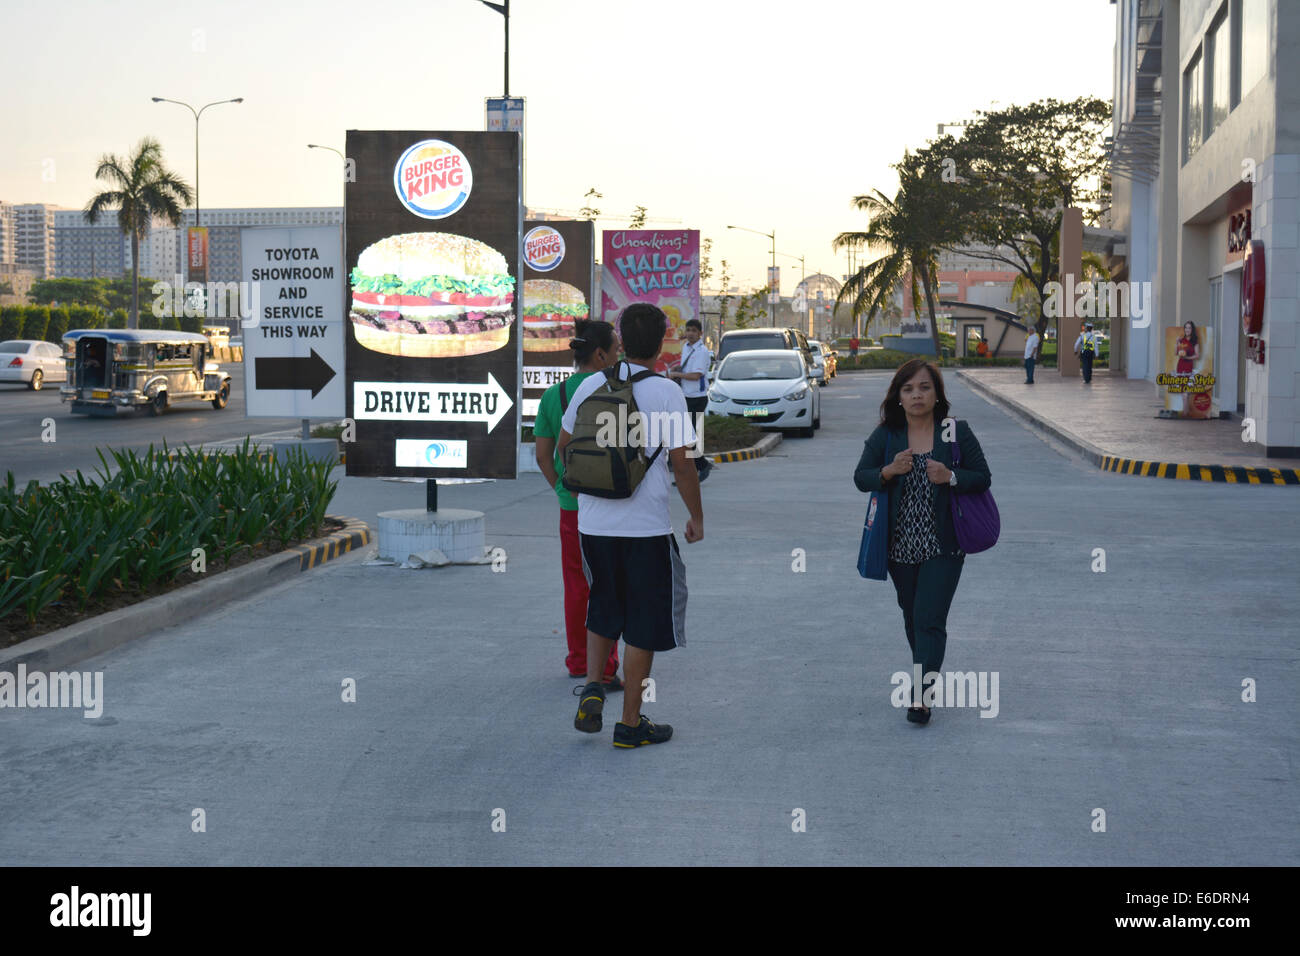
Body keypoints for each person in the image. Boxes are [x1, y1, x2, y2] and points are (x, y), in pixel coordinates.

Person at [558, 303, 704, 748]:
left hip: (594, 524)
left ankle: (593, 689)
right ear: (664, 341)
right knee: (643, 622)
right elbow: (682, 465)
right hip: (645, 528)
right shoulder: (666, 393)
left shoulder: (590, 386)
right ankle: (629, 724)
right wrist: (696, 517)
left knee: (603, 606)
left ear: (619, 339)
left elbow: (565, 446)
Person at [853, 359, 992, 725]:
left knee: (929, 618)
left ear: (937, 394)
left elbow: (982, 477)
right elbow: (861, 477)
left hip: (943, 544)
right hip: (898, 547)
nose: (917, 395)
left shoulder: (953, 431)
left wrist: (951, 476)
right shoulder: (887, 435)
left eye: (925, 387)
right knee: (913, 617)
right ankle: (925, 671)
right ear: (898, 396)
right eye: (909, 389)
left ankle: (921, 695)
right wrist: (888, 470)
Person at [534, 319, 623, 686]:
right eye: (616, 351)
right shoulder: (617, 392)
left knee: (576, 585)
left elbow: (542, 456)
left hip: (572, 509)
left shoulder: (552, 397)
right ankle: (604, 668)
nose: (618, 357)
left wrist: (563, 490)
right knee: (609, 586)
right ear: (600, 354)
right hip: (611, 508)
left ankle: (578, 662)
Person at [667, 318, 713, 482]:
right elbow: (688, 370)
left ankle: (701, 465)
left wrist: (676, 375)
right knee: (685, 435)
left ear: (700, 333)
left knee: (689, 436)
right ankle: (693, 468)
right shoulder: (686, 347)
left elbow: (696, 375)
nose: (691, 334)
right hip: (685, 395)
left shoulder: (702, 351)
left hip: (697, 398)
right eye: (689, 330)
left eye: (694, 331)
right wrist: (677, 369)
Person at [1176, 321, 1200, 416]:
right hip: (1180, 365)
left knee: (1186, 393)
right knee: (1183, 392)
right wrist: (1177, 342)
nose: (1187, 329)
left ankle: (1185, 413)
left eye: (1189, 328)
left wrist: (1188, 358)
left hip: (1189, 366)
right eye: (1186, 327)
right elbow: (1176, 352)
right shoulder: (1181, 340)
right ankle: (1186, 412)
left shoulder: (1195, 341)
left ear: (1192, 329)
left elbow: (1197, 355)